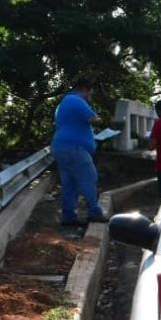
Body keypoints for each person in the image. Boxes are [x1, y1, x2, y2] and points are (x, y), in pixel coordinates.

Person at [51, 78, 107, 225]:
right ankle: (94, 212)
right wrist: (101, 119)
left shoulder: (65, 102)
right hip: (74, 148)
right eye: (90, 94)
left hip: (62, 146)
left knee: (70, 182)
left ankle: (69, 216)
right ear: (84, 89)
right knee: (89, 177)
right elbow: (93, 118)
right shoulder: (75, 100)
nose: (90, 97)